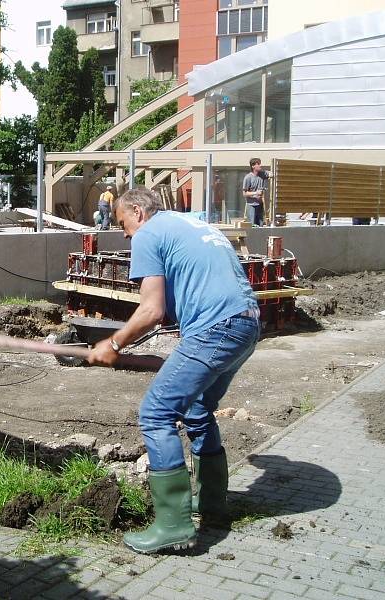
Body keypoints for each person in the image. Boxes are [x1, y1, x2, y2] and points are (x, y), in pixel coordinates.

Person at [88, 188, 260, 554]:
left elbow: (151, 311)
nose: (124, 233)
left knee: (156, 413)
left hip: (216, 327)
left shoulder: (148, 233)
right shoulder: (192, 223)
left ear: (137, 211)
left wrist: (114, 343)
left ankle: (173, 526)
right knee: (197, 408)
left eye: (123, 223)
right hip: (247, 323)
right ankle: (211, 504)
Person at [242, 158, 268, 226]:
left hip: (260, 205)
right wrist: (256, 193)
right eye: (258, 164)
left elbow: (272, 174)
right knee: (252, 226)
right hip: (251, 206)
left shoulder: (262, 174)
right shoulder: (248, 177)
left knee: (260, 225)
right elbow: (244, 193)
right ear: (253, 166)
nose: (260, 166)